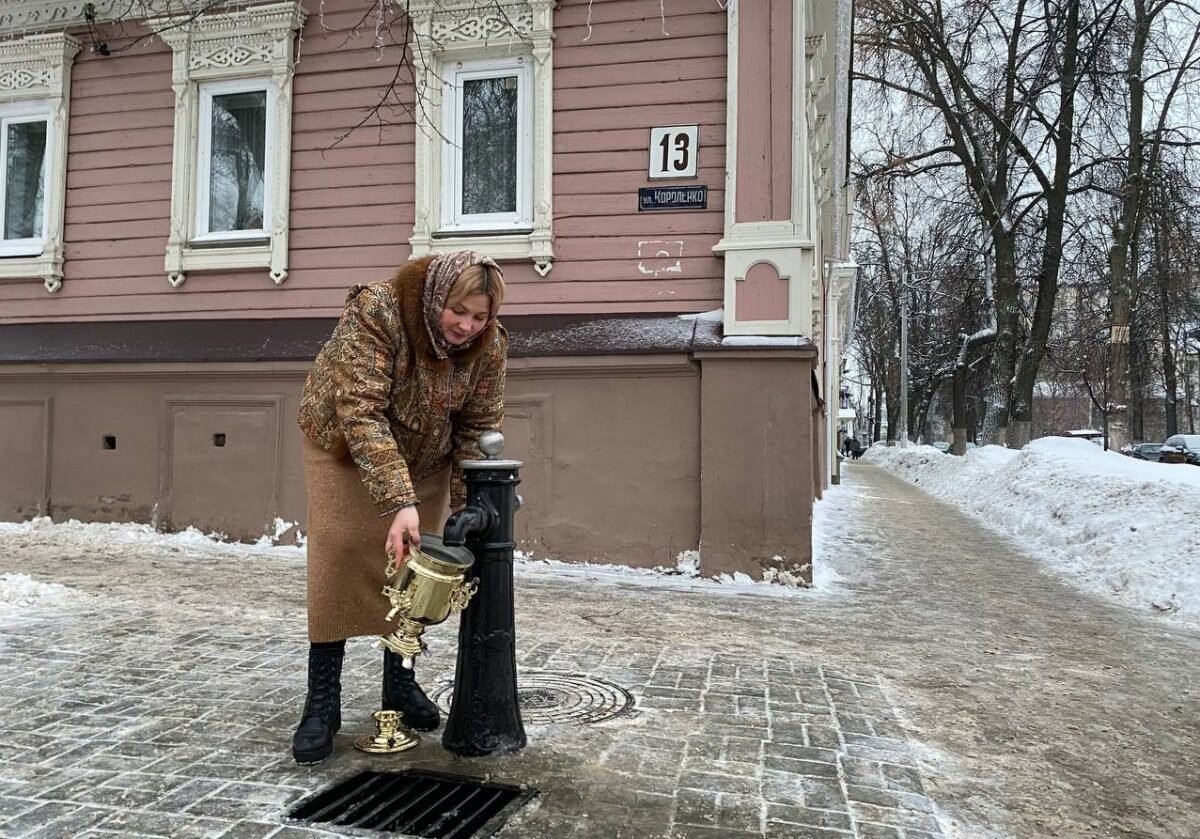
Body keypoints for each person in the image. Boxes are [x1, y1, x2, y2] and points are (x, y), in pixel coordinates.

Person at [292, 251, 508, 765]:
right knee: (340, 558)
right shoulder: (378, 310)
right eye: (459, 311)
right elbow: (360, 410)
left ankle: (399, 686)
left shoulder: (490, 346)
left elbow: (477, 430)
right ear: (438, 298)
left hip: (425, 454)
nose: (467, 326)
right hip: (343, 443)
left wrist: (464, 510)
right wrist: (398, 500)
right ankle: (322, 701)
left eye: (480, 317)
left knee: (414, 568)